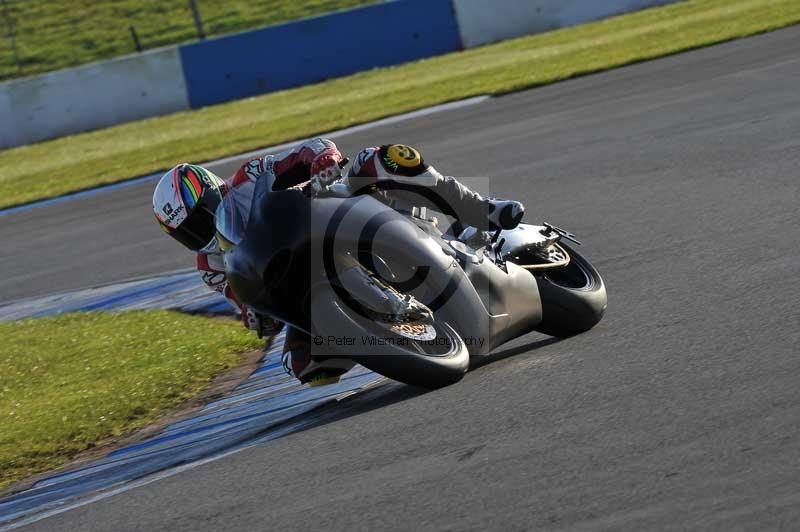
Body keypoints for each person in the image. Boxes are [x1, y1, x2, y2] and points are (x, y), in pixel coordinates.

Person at [152, 138, 524, 385]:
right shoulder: (210, 266)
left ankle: (481, 210)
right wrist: (257, 318)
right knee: (306, 367)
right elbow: (247, 304)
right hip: (305, 276)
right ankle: (392, 336)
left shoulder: (248, 178)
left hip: (343, 216)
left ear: (212, 191)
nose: (199, 233)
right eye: (187, 232)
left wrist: (323, 162)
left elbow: (308, 151)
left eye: (200, 218)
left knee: (380, 158)